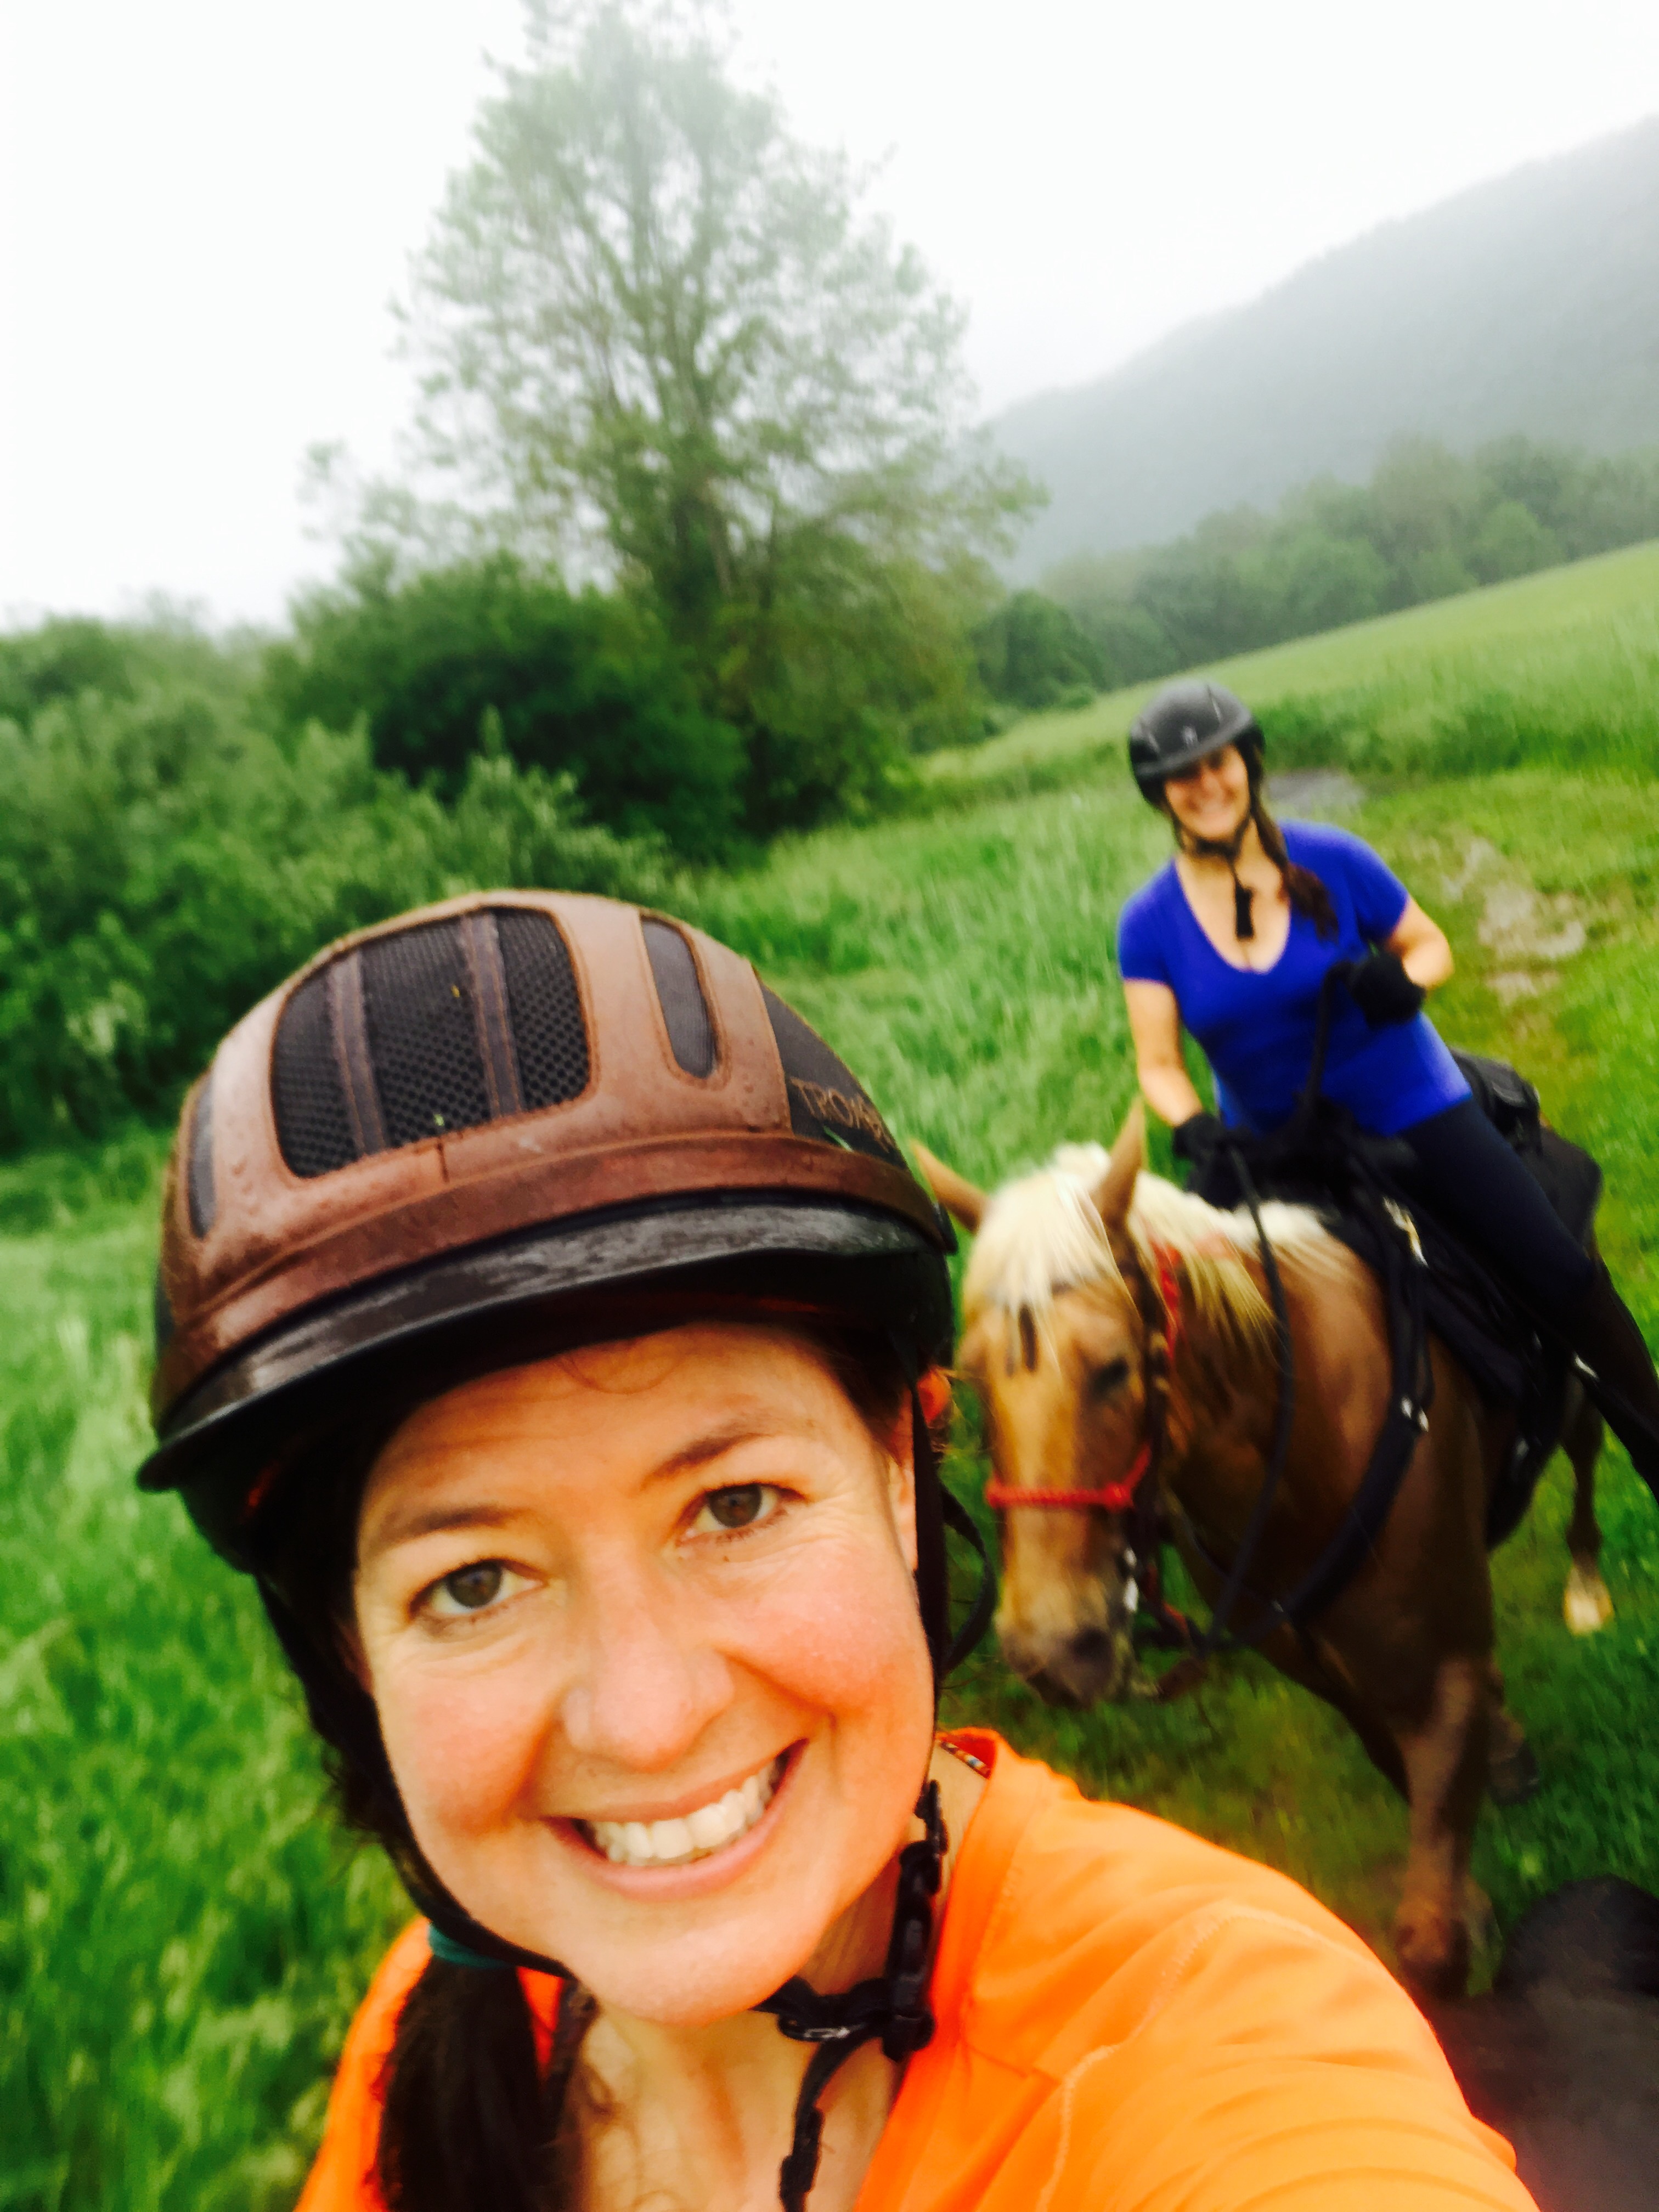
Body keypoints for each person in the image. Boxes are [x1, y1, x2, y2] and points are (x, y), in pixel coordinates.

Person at [143, 890, 1539, 2210]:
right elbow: (1164, 1069)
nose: (650, 1722)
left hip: (1384, 1113)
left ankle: (1613, 1393)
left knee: (1550, 1270)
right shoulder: (438, 2013)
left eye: (735, 1504)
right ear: (347, 1650)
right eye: (472, 1582)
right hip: (1236, 1147)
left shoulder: (1210, 2029)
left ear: (900, 1474)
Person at [1116, 677, 1659, 1492]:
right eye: (1181, 776)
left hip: (1411, 1107)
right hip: (1270, 1143)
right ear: (1161, 796)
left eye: (1218, 764)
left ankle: (1650, 1437)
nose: (1205, 786)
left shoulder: (1334, 858)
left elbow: (1429, 944)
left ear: (1249, 763)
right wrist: (1193, 1124)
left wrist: (1406, 981)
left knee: (1559, 1272)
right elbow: (1159, 1064)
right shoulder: (1148, 922)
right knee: (1174, 1321)